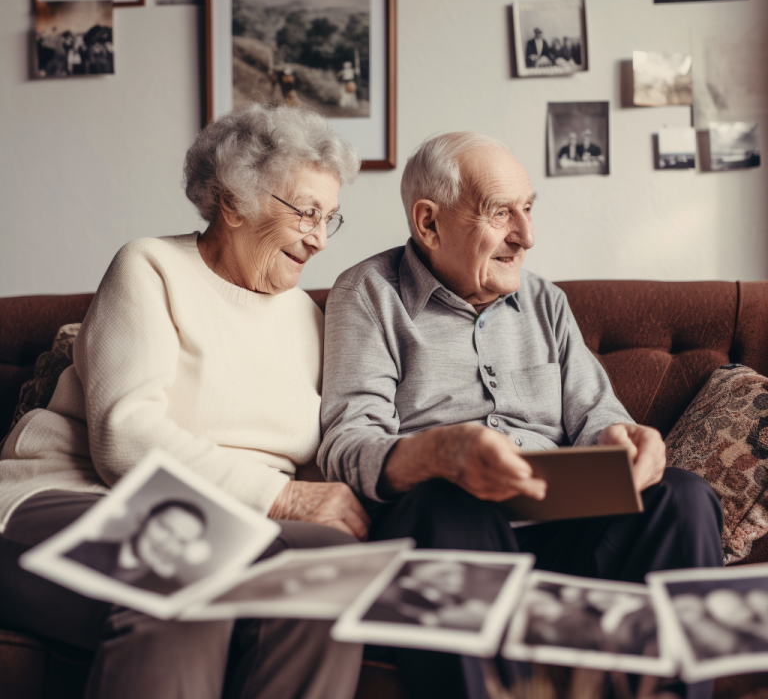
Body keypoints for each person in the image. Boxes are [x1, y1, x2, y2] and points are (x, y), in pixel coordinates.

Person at [319, 131, 724, 699]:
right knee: (448, 505)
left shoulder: (544, 301)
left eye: (528, 209)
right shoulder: (368, 294)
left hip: (563, 533)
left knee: (684, 497)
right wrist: (441, 453)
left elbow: (596, 416)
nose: (525, 236)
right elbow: (347, 443)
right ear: (429, 223)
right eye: (500, 213)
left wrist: (622, 438)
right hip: (449, 528)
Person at [0, 102, 368, 699]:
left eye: (331, 218)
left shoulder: (312, 318)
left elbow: (317, 449)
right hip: (72, 497)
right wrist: (285, 497)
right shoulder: (150, 267)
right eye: (306, 212)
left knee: (325, 572)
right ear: (234, 203)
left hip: (226, 526)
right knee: (182, 590)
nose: (321, 239)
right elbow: (126, 437)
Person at [65, 500, 208, 595]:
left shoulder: (174, 592)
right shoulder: (79, 549)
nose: (167, 545)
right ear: (143, 517)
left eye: (182, 541)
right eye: (164, 528)